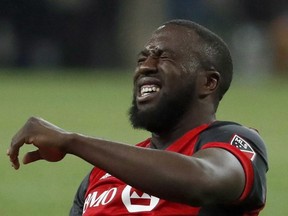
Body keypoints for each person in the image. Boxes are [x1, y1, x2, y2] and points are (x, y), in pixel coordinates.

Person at [7, 19, 268, 215]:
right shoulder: (101, 174)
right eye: (142, 58)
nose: (145, 66)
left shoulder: (233, 141)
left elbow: (203, 180)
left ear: (208, 83)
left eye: (163, 56)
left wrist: (73, 142)